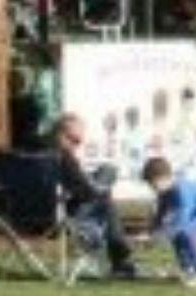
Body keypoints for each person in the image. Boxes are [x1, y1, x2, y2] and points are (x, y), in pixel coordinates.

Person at [51, 113, 138, 281]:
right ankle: (121, 260)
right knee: (106, 187)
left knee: (104, 179)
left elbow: (74, 184)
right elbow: (84, 191)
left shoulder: (39, 154)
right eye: (75, 140)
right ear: (61, 134)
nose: (77, 145)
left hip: (29, 216)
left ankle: (120, 258)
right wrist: (98, 187)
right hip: (64, 213)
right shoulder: (63, 157)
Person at [142, 156, 196, 287]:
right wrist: (152, 233)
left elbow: (183, 216)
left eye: (153, 184)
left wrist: (164, 234)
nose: (152, 188)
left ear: (164, 178)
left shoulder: (182, 189)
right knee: (177, 234)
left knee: (188, 232)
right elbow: (160, 214)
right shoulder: (164, 193)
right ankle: (188, 270)